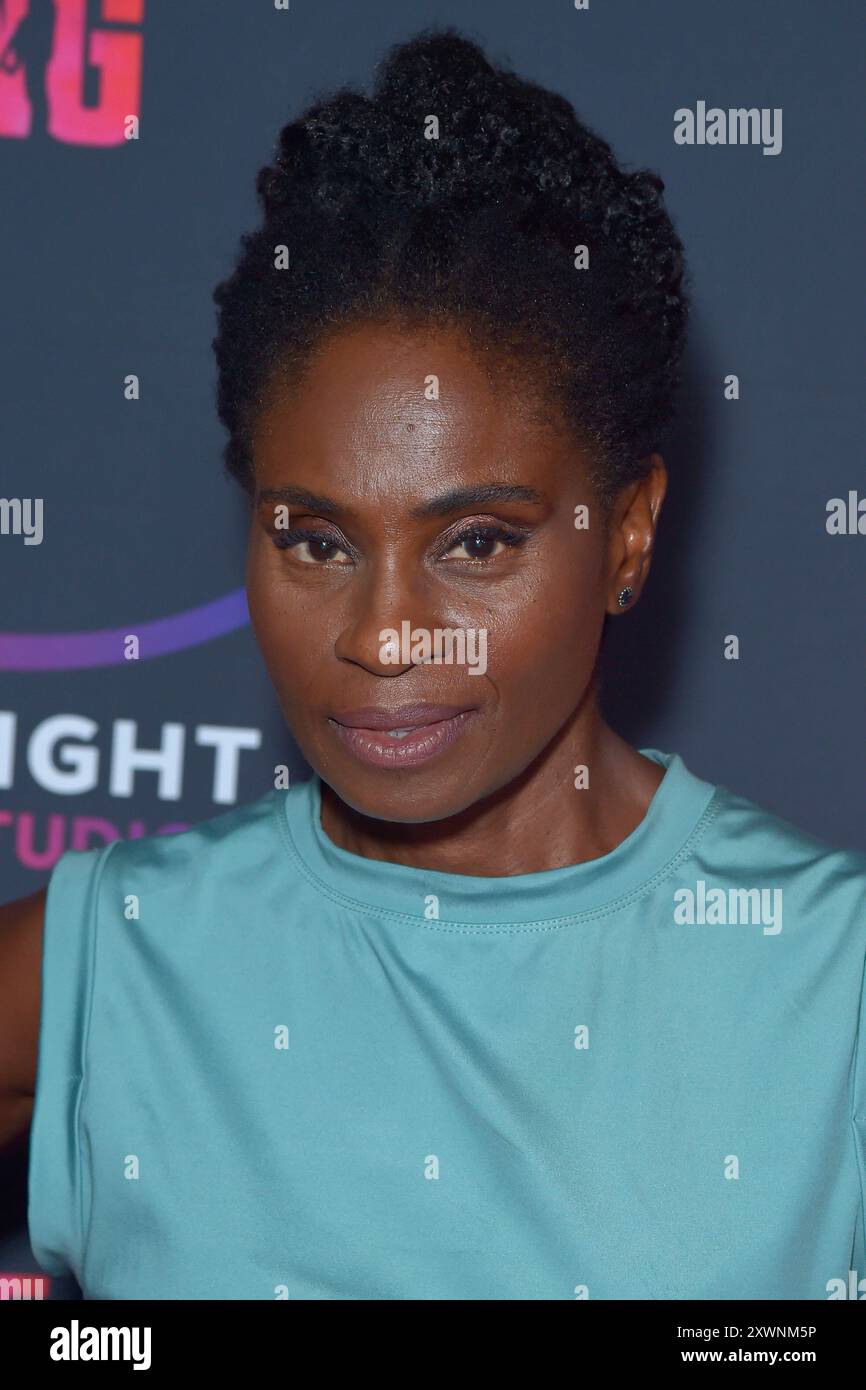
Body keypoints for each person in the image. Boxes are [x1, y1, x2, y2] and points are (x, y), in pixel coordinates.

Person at [1, 28, 864, 1301]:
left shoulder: (830, 987)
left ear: (623, 530)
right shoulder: (121, 957)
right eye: (314, 538)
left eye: (474, 540)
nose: (383, 632)